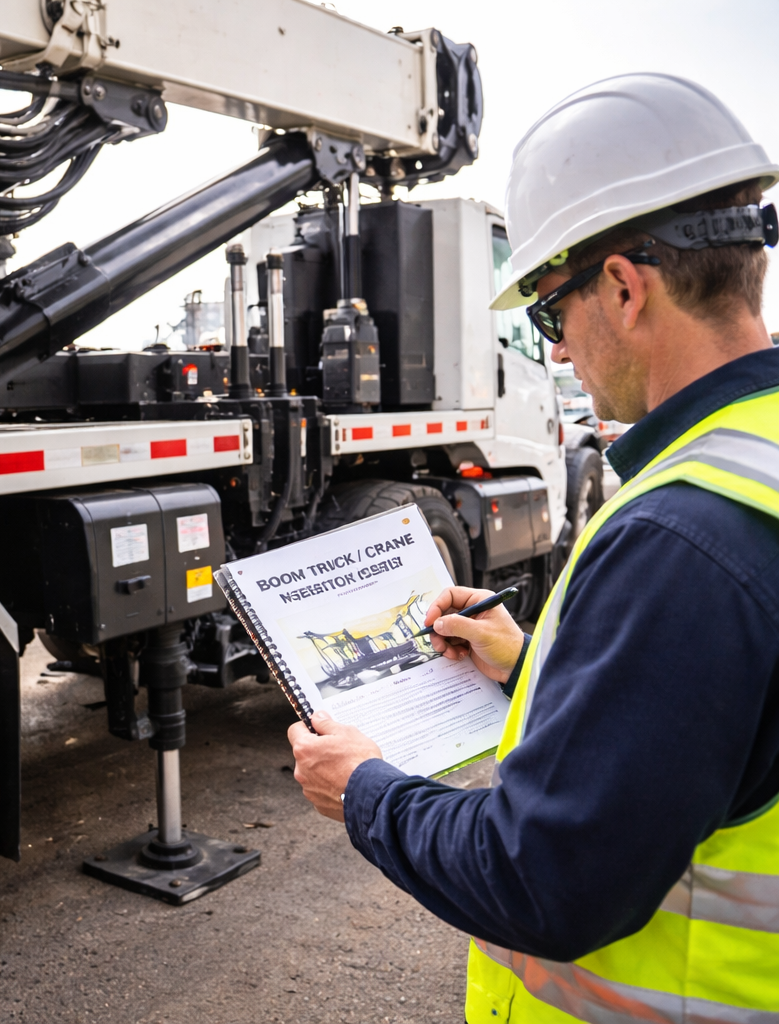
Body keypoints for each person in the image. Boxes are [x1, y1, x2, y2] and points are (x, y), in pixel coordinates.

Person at [288, 72, 779, 1024]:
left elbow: (543, 877)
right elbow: (705, 725)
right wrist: (528, 666)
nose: (556, 352)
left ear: (625, 289)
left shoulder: (683, 535)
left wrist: (364, 792)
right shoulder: (754, 459)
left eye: (552, 313)